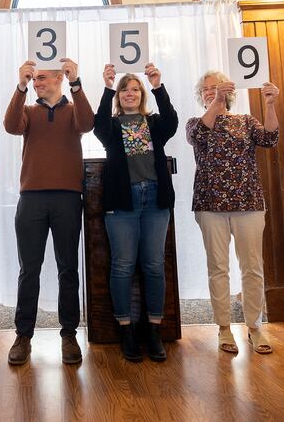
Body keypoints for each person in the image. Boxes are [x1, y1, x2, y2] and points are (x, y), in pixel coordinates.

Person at [3, 58, 95, 365]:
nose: (36, 82)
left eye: (42, 77)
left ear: (59, 78)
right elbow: (10, 126)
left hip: (67, 199)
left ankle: (69, 334)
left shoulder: (73, 110)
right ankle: (23, 336)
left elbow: (87, 124)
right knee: (29, 270)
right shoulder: (29, 111)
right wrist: (20, 87)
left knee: (68, 268)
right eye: (34, 78)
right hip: (31, 199)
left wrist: (77, 83)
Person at [186, 70, 279, 354]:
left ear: (230, 92)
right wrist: (216, 102)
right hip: (210, 203)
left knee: (252, 267)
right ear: (201, 96)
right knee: (218, 268)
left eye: (217, 87)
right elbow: (198, 136)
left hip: (248, 202)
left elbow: (270, 138)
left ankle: (255, 327)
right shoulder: (195, 123)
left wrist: (270, 104)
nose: (212, 91)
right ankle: (224, 328)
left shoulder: (246, 120)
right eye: (206, 89)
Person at [93, 64, 178, 362]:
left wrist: (158, 85)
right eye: (124, 90)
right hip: (122, 201)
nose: (130, 93)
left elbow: (172, 122)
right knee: (123, 266)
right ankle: (125, 329)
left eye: (135, 89)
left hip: (155, 199)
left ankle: (154, 330)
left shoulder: (154, 123)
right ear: (118, 96)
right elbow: (97, 126)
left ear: (142, 94)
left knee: (154, 265)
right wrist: (106, 86)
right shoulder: (111, 125)